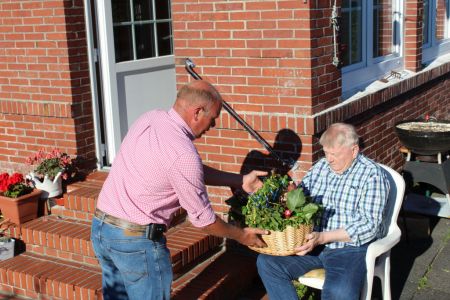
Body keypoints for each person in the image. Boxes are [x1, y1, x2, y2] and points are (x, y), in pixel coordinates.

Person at [91, 80, 268, 300]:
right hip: (135, 243)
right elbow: (204, 221)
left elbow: (179, 170)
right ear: (197, 112)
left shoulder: (150, 118)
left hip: (102, 229)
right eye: (212, 119)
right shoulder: (183, 154)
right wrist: (242, 235)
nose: (212, 126)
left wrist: (239, 180)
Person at [257, 123, 390, 300]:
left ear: (354, 150)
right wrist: (289, 195)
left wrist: (323, 237)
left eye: (334, 154)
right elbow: (300, 199)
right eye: (326, 153)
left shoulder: (372, 175)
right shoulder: (321, 167)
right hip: (313, 244)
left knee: (339, 292)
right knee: (268, 263)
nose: (329, 159)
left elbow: (369, 225)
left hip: (348, 249)